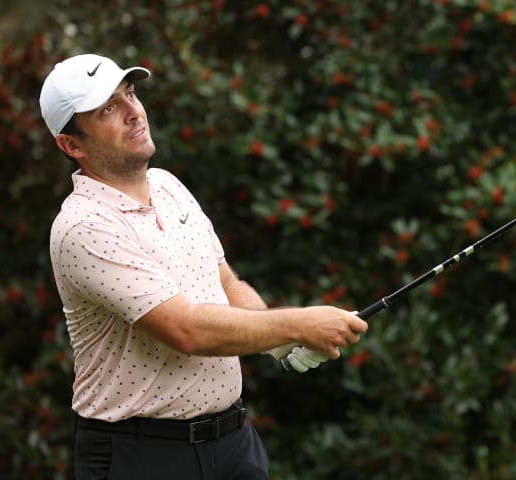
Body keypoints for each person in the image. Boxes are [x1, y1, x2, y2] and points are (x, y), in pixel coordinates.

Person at [39, 53, 368, 479]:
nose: (134, 113)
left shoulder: (168, 186)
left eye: (131, 95)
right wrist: (299, 324)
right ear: (72, 145)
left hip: (233, 443)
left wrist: (279, 343)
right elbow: (186, 329)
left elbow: (226, 283)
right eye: (108, 109)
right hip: (141, 456)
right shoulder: (83, 227)